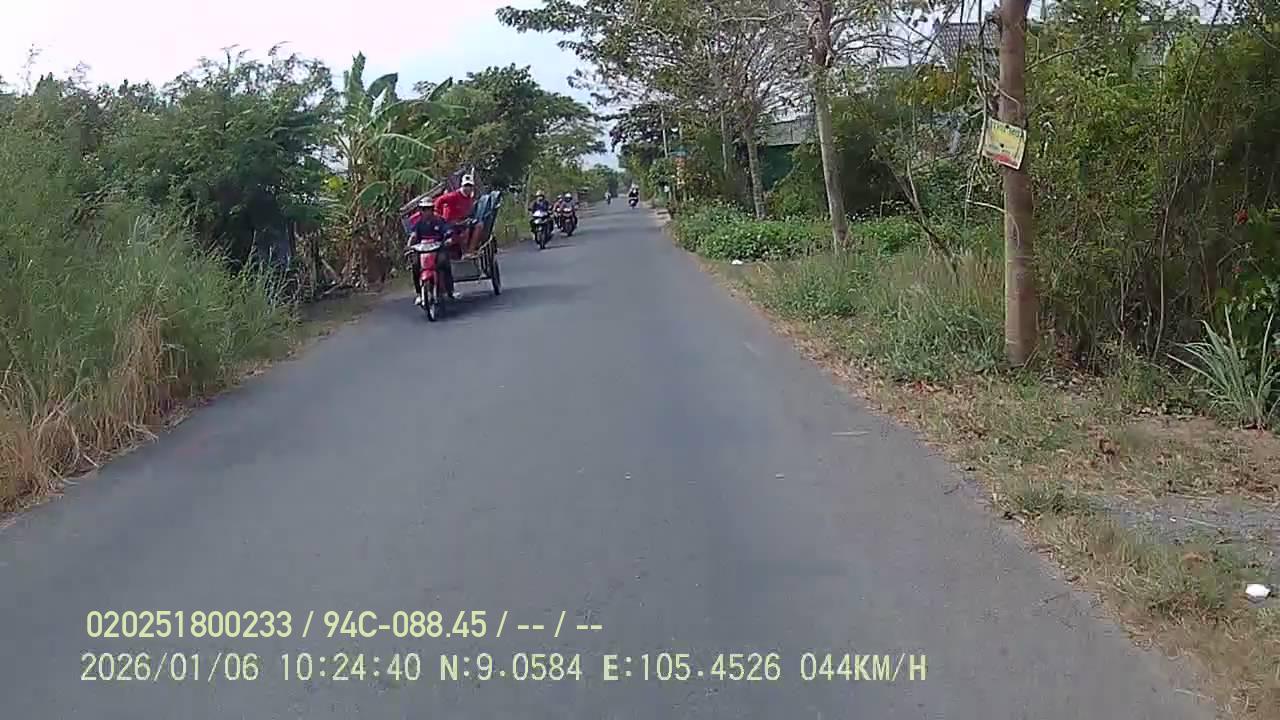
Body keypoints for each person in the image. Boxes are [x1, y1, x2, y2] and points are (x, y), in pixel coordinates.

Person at [407, 199, 452, 304]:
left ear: (432, 210)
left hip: (438, 248)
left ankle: (449, 290)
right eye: (424, 209)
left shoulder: (439, 221)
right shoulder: (418, 223)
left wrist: (448, 239)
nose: (426, 212)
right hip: (422, 250)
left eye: (429, 209)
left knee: (444, 263)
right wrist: (409, 245)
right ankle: (419, 293)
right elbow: (413, 235)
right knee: (415, 265)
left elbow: (447, 230)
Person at [434, 174, 479, 256]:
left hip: (461, 221)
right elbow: (439, 200)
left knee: (477, 225)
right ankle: (463, 251)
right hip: (450, 222)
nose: (468, 188)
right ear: (462, 186)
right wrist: (437, 212)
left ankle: (469, 250)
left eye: (470, 186)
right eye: (466, 186)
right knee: (464, 232)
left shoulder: (469, 198)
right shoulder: (453, 196)